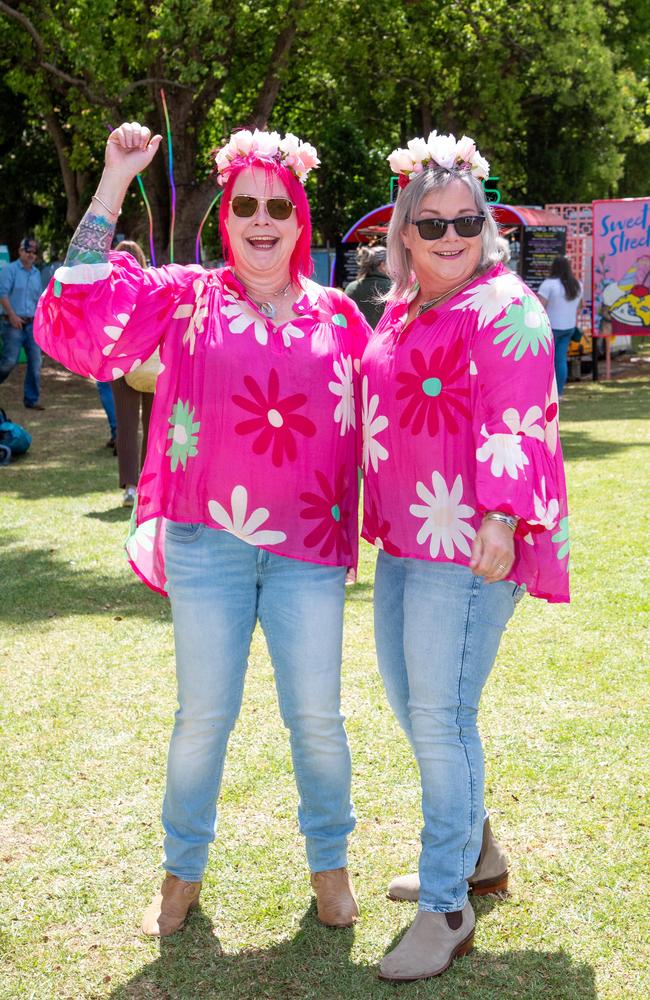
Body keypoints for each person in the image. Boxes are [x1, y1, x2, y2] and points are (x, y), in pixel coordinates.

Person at [35, 122, 370, 938]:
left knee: (317, 718)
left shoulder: (339, 318)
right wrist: (116, 176)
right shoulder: (187, 295)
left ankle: (331, 867)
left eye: (279, 207)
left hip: (307, 552)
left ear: (301, 219)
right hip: (206, 546)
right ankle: (179, 876)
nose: (262, 220)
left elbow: (395, 419)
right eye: (247, 205)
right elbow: (76, 311)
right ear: (227, 216)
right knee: (202, 718)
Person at [361, 132, 570, 980]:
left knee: (440, 717)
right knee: (421, 708)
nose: (451, 236)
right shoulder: (405, 307)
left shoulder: (506, 304)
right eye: (433, 223)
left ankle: (448, 906)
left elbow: (517, 415)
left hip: (469, 543)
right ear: (405, 231)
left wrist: (499, 516)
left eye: (466, 221)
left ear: (487, 225)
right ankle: (478, 855)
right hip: (407, 536)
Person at [110, 240, 154, 505]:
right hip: (150, 362)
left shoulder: (113, 288)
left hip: (123, 361)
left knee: (126, 426)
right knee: (151, 425)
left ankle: (131, 487)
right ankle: (146, 485)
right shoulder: (152, 285)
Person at [0, 237, 45, 409]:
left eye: (34, 252)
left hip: (32, 324)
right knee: (9, 361)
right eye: (28, 251)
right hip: (12, 323)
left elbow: (38, 299)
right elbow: (2, 294)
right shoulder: (9, 270)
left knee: (35, 362)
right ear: (20, 251)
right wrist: (12, 315)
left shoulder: (36, 274)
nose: (31, 255)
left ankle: (31, 400)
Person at [537, 255, 582, 398]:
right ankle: (559, 393)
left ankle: (545, 393)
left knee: (544, 360)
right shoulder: (577, 285)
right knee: (561, 360)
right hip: (569, 327)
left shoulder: (549, 284)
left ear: (554, 267)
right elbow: (579, 307)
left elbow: (538, 306)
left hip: (550, 328)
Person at [344, 245, 390, 328]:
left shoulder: (351, 288)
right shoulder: (393, 288)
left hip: (356, 339)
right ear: (382, 265)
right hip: (384, 340)